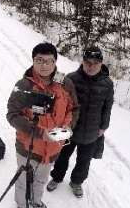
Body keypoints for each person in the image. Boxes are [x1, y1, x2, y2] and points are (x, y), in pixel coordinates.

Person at [6, 42, 74, 208]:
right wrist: (39, 132)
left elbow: (73, 109)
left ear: (55, 62)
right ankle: (21, 204)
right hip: (28, 145)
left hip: (53, 147)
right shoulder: (23, 85)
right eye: (40, 60)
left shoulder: (65, 83)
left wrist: (68, 126)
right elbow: (12, 115)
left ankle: (36, 199)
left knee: (42, 177)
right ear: (33, 61)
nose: (44, 65)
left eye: (49, 61)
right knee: (23, 179)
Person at [47, 46, 114, 198]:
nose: (91, 66)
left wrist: (103, 127)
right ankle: (56, 177)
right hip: (69, 128)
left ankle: (76, 182)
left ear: (101, 63)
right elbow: (54, 89)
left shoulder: (107, 84)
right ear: (82, 62)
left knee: (84, 161)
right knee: (62, 156)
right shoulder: (70, 78)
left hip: (92, 130)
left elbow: (107, 106)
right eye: (88, 63)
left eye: (95, 63)